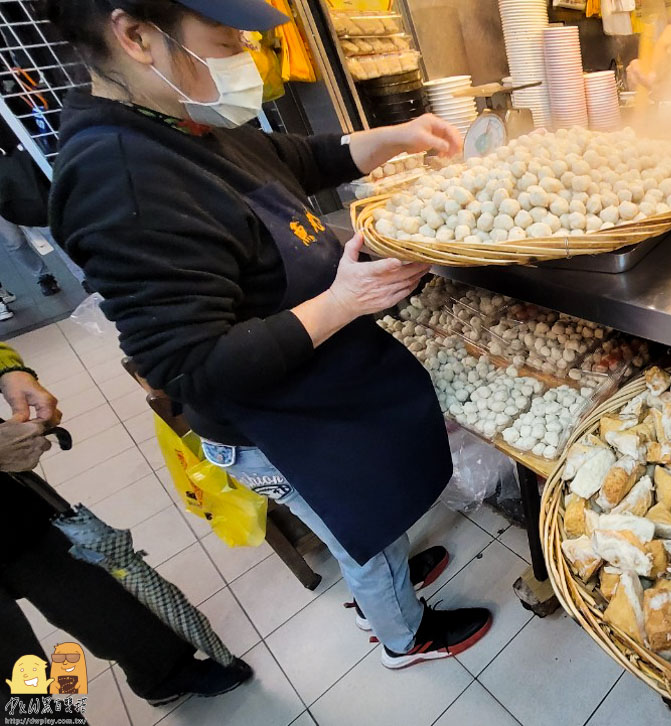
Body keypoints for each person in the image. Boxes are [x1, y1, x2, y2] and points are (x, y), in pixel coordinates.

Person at [46, 0, 491, 671]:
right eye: (225, 40)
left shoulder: (173, 120)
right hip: (272, 427)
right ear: (138, 37)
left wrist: (398, 136)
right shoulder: (120, 178)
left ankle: (388, 561)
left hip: (313, 389)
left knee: (369, 510)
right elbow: (189, 366)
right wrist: (344, 301)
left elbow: (293, 160)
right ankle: (403, 635)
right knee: (355, 534)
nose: (245, 59)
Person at [0, 341, 255, 706]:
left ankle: (165, 673)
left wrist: (9, 370)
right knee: (14, 683)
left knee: (98, 594)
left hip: (11, 505)